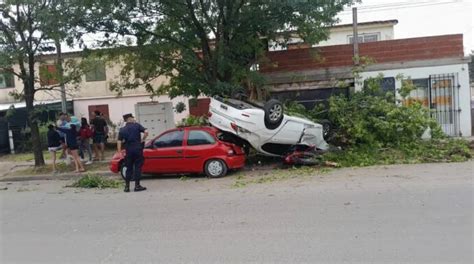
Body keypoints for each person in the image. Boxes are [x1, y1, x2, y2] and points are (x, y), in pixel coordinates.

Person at [117, 113, 148, 192]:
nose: (134, 119)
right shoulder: (137, 125)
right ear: (129, 119)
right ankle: (137, 186)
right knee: (137, 167)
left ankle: (127, 187)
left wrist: (119, 152)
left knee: (129, 168)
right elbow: (146, 132)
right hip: (137, 149)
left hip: (129, 150)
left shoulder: (122, 129)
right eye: (132, 118)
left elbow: (119, 141)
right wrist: (143, 139)